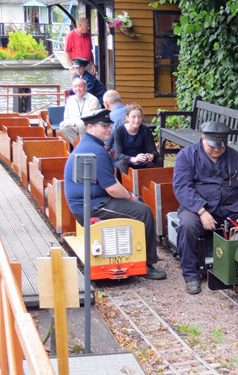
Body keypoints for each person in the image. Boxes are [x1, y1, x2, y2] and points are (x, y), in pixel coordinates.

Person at [64, 109, 166, 280]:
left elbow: (109, 182)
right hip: (92, 207)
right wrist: (129, 196)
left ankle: (136, 253)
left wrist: (129, 195)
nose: (108, 129)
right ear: (90, 127)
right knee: (144, 212)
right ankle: (147, 264)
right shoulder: (96, 151)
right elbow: (111, 188)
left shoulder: (90, 145)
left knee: (137, 202)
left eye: (109, 126)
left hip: (94, 201)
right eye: (103, 126)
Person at [172, 121, 238, 294]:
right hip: (198, 210)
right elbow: (182, 188)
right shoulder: (186, 156)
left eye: (221, 146)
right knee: (187, 226)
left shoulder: (237, 158)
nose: (217, 149)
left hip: (231, 210)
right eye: (212, 146)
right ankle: (191, 275)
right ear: (203, 138)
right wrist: (201, 211)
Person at [113, 104, 163, 175]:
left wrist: (151, 156)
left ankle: (153, 183)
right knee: (122, 163)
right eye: (133, 117)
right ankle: (127, 185)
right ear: (127, 118)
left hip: (141, 161)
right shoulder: (119, 130)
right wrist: (134, 158)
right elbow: (118, 155)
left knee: (159, 160)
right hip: (126, 161)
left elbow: (154, 152)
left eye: (139, 117)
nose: (137, 120)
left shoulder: (145, 130)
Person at [59, 77, 100, 145]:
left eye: (80, 86)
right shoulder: (70, 100)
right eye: (75, 86)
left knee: (81, 124)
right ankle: (78, 145)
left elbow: (93, 119)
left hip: (88, 126)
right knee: (62, 127)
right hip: (73, 125)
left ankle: (84, 145)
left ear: (85, 87)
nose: (77, 89)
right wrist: (73, 123)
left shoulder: (93, 100)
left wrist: (77, 123)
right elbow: (66, 118)